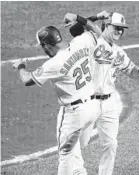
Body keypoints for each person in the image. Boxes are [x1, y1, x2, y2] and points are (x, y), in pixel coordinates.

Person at [63, 11, 139, 175]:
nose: (120, 32)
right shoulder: (92, 40)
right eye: (117, 27)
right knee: (78, 142)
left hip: (109, 103)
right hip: (87, 103)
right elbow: (82, 26)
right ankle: (76, 171)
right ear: (107, 26)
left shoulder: (119, 53)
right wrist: (89, 16)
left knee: (110, 144)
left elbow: (133, 72)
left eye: (122, 29)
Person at [13, 25, 100, 175]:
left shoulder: (54, 63)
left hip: (75, 113)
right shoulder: (81, 41)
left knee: (65, 153)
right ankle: (79, 172)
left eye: (42, 46)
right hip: (93, 107)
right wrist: (81, 19)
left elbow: (27, 80)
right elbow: (98, 32)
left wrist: (21, 66)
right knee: (73, 145)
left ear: (46, 44)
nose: (43, 49)